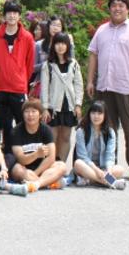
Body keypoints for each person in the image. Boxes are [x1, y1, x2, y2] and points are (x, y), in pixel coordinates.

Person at [86, 0, 129, 181]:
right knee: (108, 128)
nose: (117, 8)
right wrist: (90, 81)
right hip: (105, 87)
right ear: (109, 9)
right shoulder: (102, 30)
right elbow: (93, 55)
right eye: (114, 5)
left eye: (121, 5)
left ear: (127, 9)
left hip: (127, 87)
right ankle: (110, 165)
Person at [0, 0, 35, 147]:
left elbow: (30, 64)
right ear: (4, 15)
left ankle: (19, 152)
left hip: (18, 87)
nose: (12, 16)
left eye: (15, 13)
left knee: (22, 121)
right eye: (9, 12)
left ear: (19, 15)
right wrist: (0, 75)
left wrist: (21, 79)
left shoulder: (27, 37)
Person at [40, 32, 83, 165]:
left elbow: (78, 85)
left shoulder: (74, 64)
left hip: (69, 106)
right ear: (53, 45)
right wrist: (45, 107)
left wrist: (78, 104)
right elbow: (44, 87)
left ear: (68, 46)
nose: (61, 46)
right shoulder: (48, 65)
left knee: (65, 137)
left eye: (64, 43)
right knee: (52, 137)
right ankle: (50, 165)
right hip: (53, 107)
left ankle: (62, 165)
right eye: (58, 43)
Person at [8, 98, 67, 194]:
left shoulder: (46, 130)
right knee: (17, 170)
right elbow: (21, 159)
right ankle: (49, 183)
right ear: (23, 114)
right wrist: (36, 154)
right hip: (24, 168)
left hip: (42, 168)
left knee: (62, 166)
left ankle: (36, 184)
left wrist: (36, 173)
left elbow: (51, 157)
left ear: (40, 115)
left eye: (33, 111)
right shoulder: (16, 131)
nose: (30, 115)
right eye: (27, 112)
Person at [73, 101, 127, 189]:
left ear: (105, 115)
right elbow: (82, 157)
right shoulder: (81, 131)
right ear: (89, 114)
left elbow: (110, 156)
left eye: (99, 113)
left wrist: (109, 171)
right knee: (78, 164)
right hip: (87, 166)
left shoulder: (110, 132)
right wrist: (96, 170)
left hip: (103, 168)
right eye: (93, 113)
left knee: (120, 169)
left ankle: (90, 180)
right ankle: (111, 182)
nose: (96, 116)